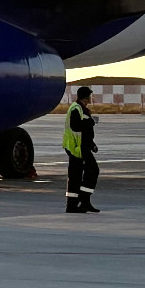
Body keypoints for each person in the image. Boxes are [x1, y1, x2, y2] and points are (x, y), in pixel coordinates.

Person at [63, 85, 101, 213]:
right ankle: (82, 200)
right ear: (86, 97)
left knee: (76, 176)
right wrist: (91, 121)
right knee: (92, 171)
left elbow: (84, 133)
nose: (90, 98)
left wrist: (91, 144)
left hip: (81, 146)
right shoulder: (76, 109)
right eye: (89, 96)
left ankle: (76, 204)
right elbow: (76, 126)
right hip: (77, 148)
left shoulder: (81, 109)